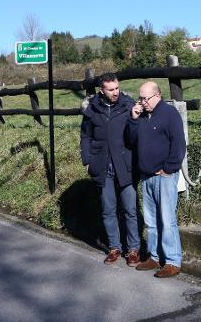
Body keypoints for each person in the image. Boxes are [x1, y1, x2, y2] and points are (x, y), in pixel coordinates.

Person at [80, 73, 140, 266]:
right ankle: (115, 248)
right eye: (111, 89)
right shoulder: (92, 109)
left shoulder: (127, 105)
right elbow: (85, 136)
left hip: (125, 165)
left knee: (130, 209)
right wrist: (87, 159)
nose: (115, 92)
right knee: (108, 210)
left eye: (117, 88)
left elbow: (137, 132)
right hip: (102, 165)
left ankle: (133, 250)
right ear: (101, 91)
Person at [128, 81, 186, 278]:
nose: (142, 102)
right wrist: (134, 119)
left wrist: (169, 168)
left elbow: (179, 144)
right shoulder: (142, 115)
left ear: (157, 95)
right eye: (140, 98)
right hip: (146, 176)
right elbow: (131, 140)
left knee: (167, 220)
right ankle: (154, 256)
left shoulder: (169, 114)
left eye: (146, 98)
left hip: (164, 176)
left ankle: (172, 261)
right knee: (151, 221)